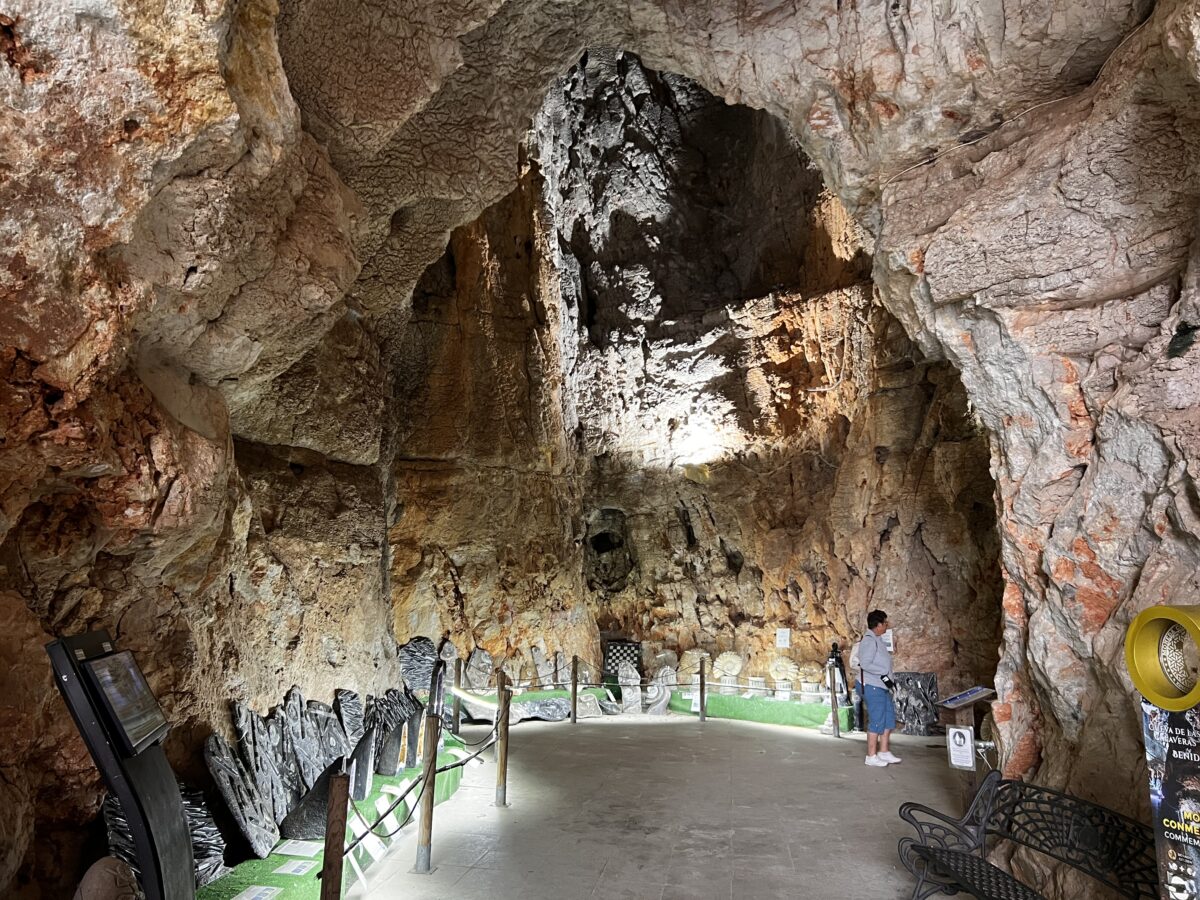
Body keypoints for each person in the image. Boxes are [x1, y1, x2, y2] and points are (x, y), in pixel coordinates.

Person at [859, 609, 902, 767]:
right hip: (872, 686)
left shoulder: (877, 639)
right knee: (877, 720)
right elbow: (865, 664)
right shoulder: (869, 641)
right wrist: (883, 673)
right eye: (885, 623)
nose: (886, 625)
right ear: (877, 625)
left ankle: (884, 752)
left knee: (888, 717)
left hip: (881, 685)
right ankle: (871, 756)